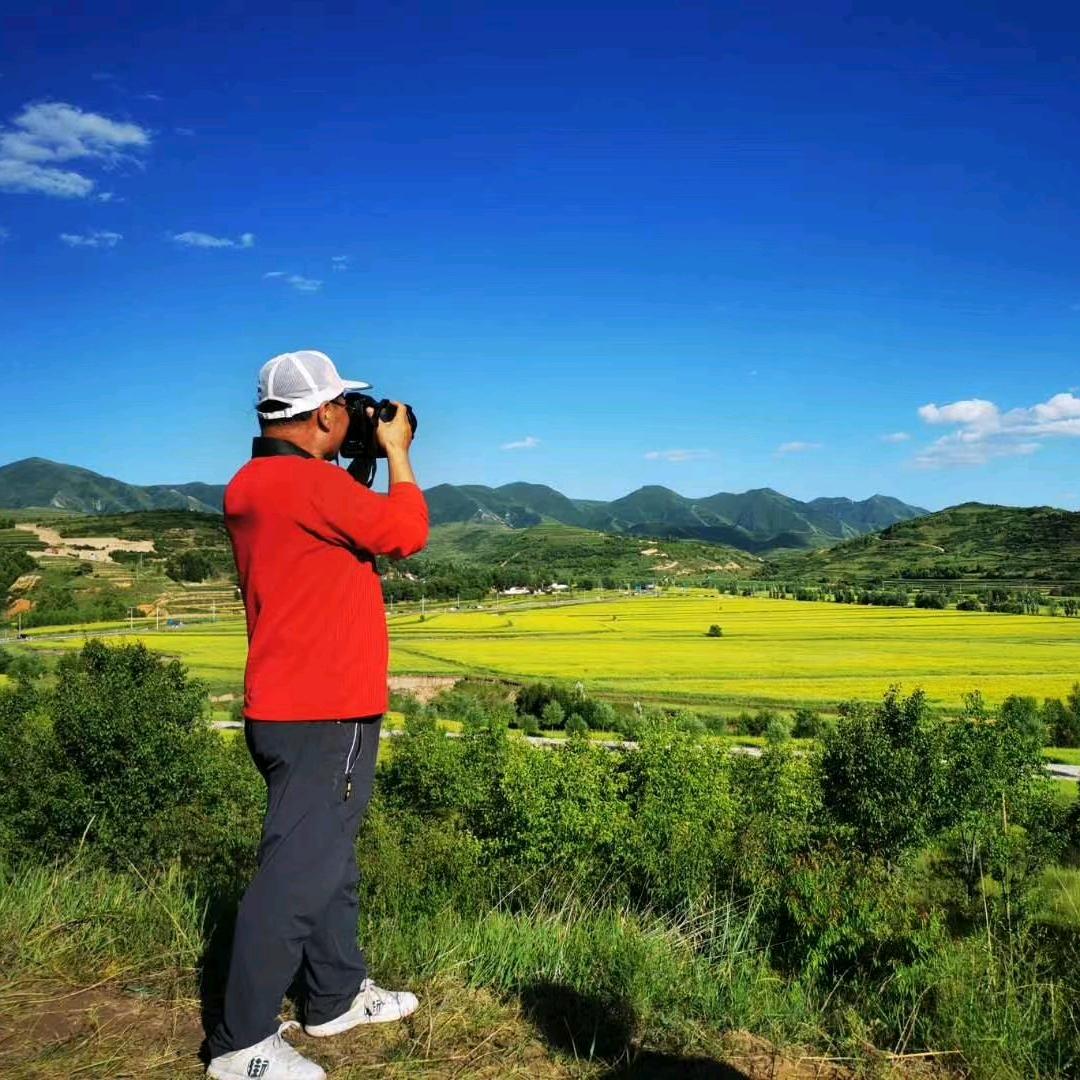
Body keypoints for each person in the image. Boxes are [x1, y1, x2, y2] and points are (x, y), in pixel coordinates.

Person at [206, 350, 429, 1080]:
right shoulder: (304, 484)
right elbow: (404, 531)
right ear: (324, 413)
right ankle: (239, 1045)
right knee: (296, 876)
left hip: (289, 703)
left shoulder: (256, 483)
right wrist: (395, 453)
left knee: (326, 859)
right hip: (324, 708)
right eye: (346, 408)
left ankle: (332, 997)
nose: (354, 418)